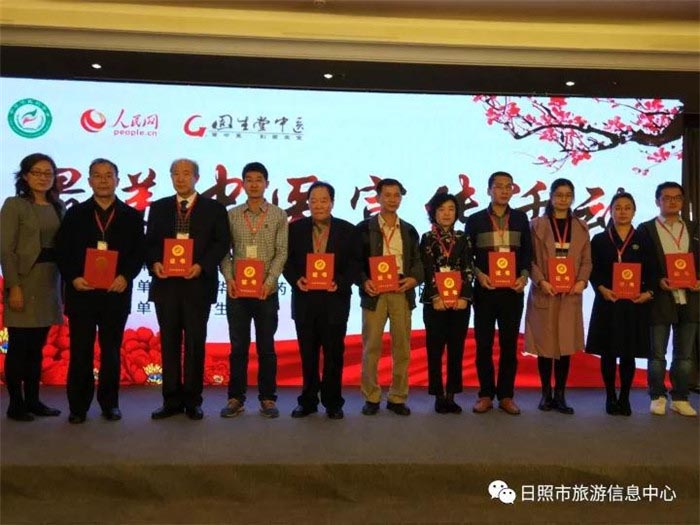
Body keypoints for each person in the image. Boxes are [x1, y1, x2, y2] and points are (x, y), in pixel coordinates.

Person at [55, 158, 146, 423]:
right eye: (97, 175)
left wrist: (126, 276)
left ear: (118, 180)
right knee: (80, 351)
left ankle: (110, 404)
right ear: (89, 180)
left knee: (111, 352)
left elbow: (138, 252)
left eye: (109, 175)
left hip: (115, 294)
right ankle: (78, 407)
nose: (103, 180)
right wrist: (73, 277)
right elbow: (62, 250)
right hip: (82, 293)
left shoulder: (131, 215)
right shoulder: (75, 214)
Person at [146, 158, 230, 420]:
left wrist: (202, 266)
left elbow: (221, 243)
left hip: (198, 286)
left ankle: (193, 400)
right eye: (175, 174)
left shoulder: (214, 209)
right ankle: (170, 400)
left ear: (196, 177)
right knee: (169, 343)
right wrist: (155, 263)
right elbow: (149, 243)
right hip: (166, 286)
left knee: (195, 343)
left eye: (186, 173)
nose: (180, 178)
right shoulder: (158, 207)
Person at [283, 181, 357, 419]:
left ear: (332, 203)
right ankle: (308, 401)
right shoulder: (295, 229)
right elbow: (286, 261)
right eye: (313, 200)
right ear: (307, 203)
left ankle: (333, 402)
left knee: (334, 355)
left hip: (335, 301)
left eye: (323, 200)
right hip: (305, 300)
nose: (318, 205)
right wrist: (296, 280)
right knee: (308, 355)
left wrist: (340, 282)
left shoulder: (347, 230)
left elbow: (355, 264)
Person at [220, 162, 288, 419]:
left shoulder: (278, 215)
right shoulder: (232, 215)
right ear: (243, 184)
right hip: (238, 292)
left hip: (266, 293)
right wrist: (229, 278)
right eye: (249, 179)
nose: (254, 184)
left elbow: (282, 252)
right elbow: (224, 252)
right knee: (238, 347)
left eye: (259, 179)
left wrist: (270, 282)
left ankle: (268, 398)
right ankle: (235, 398)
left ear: (266, 184)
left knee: (266, 348)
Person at [1, 153, 64, 421]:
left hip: (50, 281)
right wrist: (13, 286)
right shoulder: (14, 205)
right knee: (19, 346)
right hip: (24, 281)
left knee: (37, 347)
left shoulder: (58, 205)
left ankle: (34, 400)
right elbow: (5, 249)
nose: (43, 177)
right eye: (37, 172)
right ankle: (16, 404)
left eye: (48, 173)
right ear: (25, 176)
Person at [465, 171, 531, 415]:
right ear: (489, 190)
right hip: (485, 291)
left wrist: (524, 276)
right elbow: (467, 256)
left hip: (512, 292)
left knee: (509, 345)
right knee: (483, 344)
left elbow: (527, 252)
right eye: (499, 186)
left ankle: (505, 395)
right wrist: (479, 275)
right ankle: (485, 394)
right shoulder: (475, 220)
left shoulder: (521, 218)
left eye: (508, 186)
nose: (504, 190)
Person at [356, 178, 423, 416]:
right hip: (374, 292)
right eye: (387, 195)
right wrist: (364, 281)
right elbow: (355, 262)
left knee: (402, 347)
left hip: (400, 291)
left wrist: (414, 279)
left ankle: (397, 397)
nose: (392, 200)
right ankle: (371, 396)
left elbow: (418, 262)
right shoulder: (364, 228)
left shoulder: (409, 229)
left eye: (397, 195)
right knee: (371, 346)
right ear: (378, 198)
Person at [524, 178, 591, 415]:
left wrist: (581, 281)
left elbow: (587, 261)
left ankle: (561, 395)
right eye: (558, 194)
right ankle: (546, 394)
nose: (563, 199)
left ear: (572, 198)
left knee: (565, 345)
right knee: (545, 346)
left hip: (570, 294)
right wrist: (541, 281)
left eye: (567, 195)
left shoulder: (581, 227)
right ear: (551, 197)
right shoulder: (536, 225)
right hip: (545, 291)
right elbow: (529, 259)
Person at [586, 192, 656, 416]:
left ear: (634, 211)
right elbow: (592, 270)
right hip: (608, 302)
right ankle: (610, 396)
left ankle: (625, 397)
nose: (622, 212)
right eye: (618, 208)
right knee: (608, 352)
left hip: (634, 304)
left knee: (628, 353)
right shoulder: (599, 239)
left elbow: (653, 270)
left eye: (627, 207)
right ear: (611, 211)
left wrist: (648, 293)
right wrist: (601, 288)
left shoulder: (644, 239)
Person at [638, 182, 699, 417]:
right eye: (666, 198)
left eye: (677, 198)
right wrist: (657, 281)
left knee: (684, 354)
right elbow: (642, 264)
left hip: (691, 297)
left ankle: (680, 397)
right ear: (657, 201)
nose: (672, 202)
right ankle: (657, 395)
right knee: (657, 353)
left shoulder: (694, 228)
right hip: (660, 298)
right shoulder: (646, 229)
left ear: (683, 201)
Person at [419, 193, 473, 414]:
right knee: (435, 349)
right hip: (435, 303)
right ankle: (438, 395)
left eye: (451, 209)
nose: (446, 213)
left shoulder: (463, 238)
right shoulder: (426, 238)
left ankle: (451, 395)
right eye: (441, 209)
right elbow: (426, 268)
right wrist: (435, 297)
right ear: (434, 213)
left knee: (456, 349)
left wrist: (464, 297)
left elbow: (468, 268)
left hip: (459, 302)